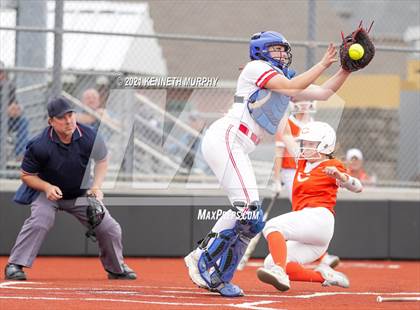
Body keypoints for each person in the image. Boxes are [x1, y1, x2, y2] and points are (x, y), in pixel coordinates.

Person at [184, 30, 354, 297]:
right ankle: (203, 261)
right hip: (228, 136)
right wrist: (322, 63)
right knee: (250, 212)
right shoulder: (257, 68)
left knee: (251, 218)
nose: (282, 54)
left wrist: (346, 69)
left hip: (238, 144)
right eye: (276, 49)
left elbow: (322, 92)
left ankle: (211, 268)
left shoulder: (283, 79)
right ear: (260, 51)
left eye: (283, 49)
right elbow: (292, 86)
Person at [4, 97, 136, 281]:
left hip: (79, 192)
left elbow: (102, 160)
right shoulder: (40, 144)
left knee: (109, 227)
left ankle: (116, 267)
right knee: (41, 220)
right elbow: (26, 175)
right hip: (47, 193)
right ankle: (15, 264)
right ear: (50, 121)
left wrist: (96, 186)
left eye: (71, 114)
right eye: (61, 117)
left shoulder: (89, 135)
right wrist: (47, 186)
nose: (68, 120)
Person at [257, 121, 363, 292]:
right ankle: (323, 276)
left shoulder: (332, 165)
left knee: (272, 226)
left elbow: (358, 187)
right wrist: (282, 106)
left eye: (310, 144)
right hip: (312, 231)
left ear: (325, 144)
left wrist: (341, 177)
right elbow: (286, 135)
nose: (305, 147)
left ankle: (279, 272)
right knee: (270, 262)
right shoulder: (302, 162)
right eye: (304, 143)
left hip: (319, 218)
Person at [274, 100, 340, 269]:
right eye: (299, 99)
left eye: (307, 99)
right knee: (300, 212)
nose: (304, 103)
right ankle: (316, 254)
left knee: (301, 215)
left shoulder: (314, 125)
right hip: (291, 172)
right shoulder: (289, 122)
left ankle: (320, 254)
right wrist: (276, 178)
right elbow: (279, 151)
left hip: (312, 172)